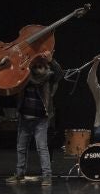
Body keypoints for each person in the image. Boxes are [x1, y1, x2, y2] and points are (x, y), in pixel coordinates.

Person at [6, 52, 62, 186]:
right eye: (35, 65)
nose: (37, 68)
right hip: (25, 117)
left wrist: (52, 60)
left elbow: (60, 74)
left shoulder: (49, 77)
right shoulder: (25, 76)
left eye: (40, 66)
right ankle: (19, 174)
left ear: (45, 66)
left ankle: (47, 176)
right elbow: (12, 74)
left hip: (41, 119)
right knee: (21, 147)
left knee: (41, 147)